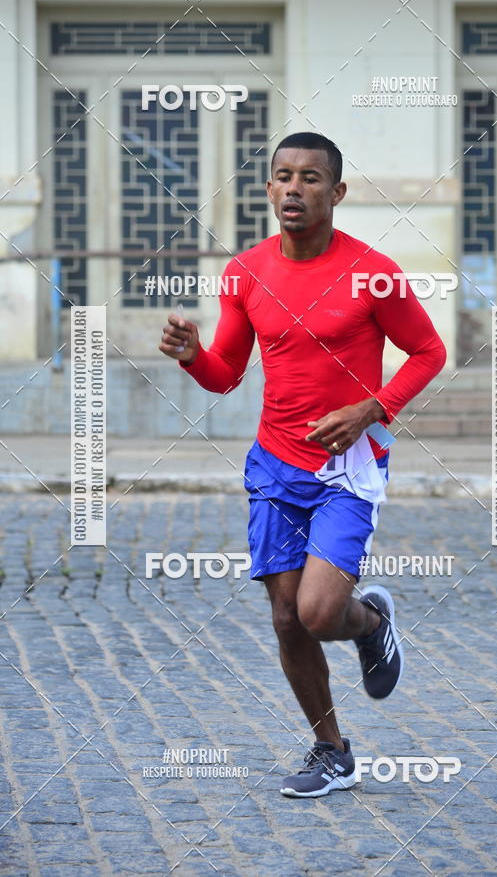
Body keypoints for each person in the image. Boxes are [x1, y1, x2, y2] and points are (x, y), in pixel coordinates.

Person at [159, 132, 446, 798]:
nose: (294, 188)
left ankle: (369, 622)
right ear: (268, 189)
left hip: (347, 469)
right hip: (273, 466)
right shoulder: (246, 272)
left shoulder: (374, 272)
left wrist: (369, 409)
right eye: (283, 176)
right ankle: (332, 750)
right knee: (286, 618)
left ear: (336, 192)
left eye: (310, 178)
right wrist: (190, 354)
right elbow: (226, 375)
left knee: (319, 612)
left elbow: (429, 351)